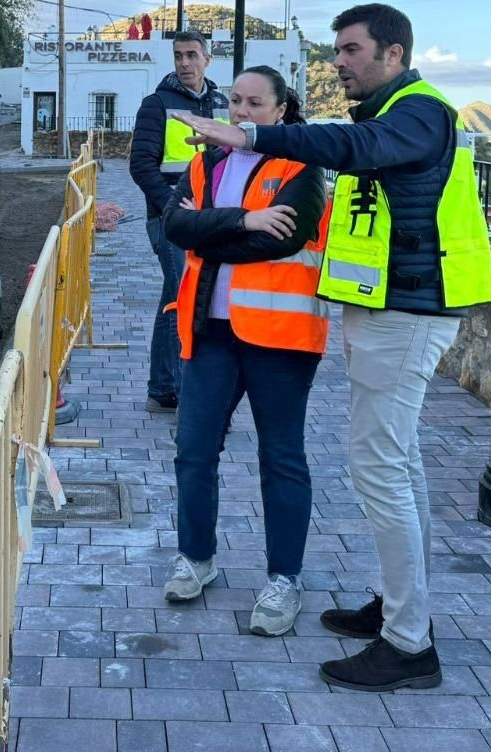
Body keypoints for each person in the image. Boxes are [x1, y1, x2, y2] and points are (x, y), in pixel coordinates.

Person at [178, 3, 491, 692]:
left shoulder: (419, 113)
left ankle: (409, 645)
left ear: (394, 52)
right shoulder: (394, 113)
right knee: (399, 467)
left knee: (379, 469)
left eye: (351, 50)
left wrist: (253, 136)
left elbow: (353, 154)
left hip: (407, 315)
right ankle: (397, 608)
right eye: (336, 51)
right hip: (389, 311)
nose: (339, 62)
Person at [159, 66, 329, 638]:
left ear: (281, 112)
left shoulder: (301, 166)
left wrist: (214, 230)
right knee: (193, 449)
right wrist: (241, 219)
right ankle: (196, 557)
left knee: (281, 457)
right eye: (234, 101)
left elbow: (280, 237)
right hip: (210, 328)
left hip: (280, 338)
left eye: (255, 103)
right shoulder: (207, 162)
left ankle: (285, 578)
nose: (241, 113)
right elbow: (173, 224)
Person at [128, 31, 229, 412]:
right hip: (170, 219)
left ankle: (162, 387)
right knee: (185, 296)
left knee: (174, 296)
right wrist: (174, 206)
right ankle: (190, 399)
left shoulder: (222, 104)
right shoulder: (157, 104)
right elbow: (141, 166)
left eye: (191, 55)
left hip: (209, 216)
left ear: (207, 58)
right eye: (178, 55)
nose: (184, 63)